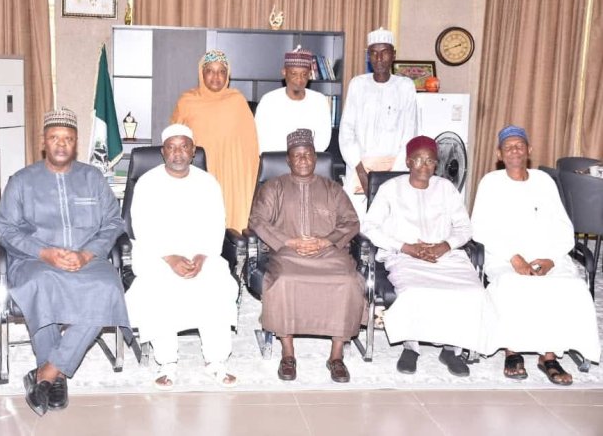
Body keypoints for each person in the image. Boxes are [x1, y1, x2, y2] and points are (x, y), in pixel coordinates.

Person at [0, 108, 130, 416]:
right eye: (54, 138)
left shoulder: (93, 178)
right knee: (40, 285)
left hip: (87, 256)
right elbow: (5, 228)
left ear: (76, 142)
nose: (60, 144)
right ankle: (56, 374)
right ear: (44, 142)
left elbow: (112, 221)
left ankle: (49, 372)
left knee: (108, 289)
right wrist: (45, 253)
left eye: (67, 139)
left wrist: (87, 253)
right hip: (36, 259)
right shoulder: (22, 181)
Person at [471, 125, 601, 385]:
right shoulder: (490, 182)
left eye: (520, 146)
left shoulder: (544, 181)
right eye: (509, 147)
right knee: (513, 285)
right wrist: (515, 258)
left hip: (548, 256)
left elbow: (564, 225)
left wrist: (551, 258)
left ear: (529, 150)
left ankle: (549, 356)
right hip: (505, 257)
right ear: (499, 154)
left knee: (570, 288)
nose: (515, 151)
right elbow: (480, 228)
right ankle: (513, 351)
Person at [362, 136, 494, 377]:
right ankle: (410, 347)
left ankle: (451, 350)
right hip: (405, 256)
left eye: (430, 161)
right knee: (415, 291)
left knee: (473, 293)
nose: (425, 166)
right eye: (419, 160)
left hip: (446, 256)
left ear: (436, 164)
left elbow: (464, 228)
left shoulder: (446, 188)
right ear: (408, 161)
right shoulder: (391, 189)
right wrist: (405, 247)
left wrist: (445, 245)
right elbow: (369, 226)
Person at [126, 124, 239, 390]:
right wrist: (170, 257)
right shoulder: (147, 182)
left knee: (217, 285)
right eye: (171, 147)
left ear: (193, 151)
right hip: (158, 255)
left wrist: (201, 256)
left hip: (202, 254)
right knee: (159, 287)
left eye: (184, 146)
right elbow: (141, 227)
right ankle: (167, 363)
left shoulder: (208, 182)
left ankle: (216, 361)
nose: (178, 153)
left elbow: (216, 224)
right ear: (163, 152)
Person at [248, 128, 365, 383]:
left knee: (347, 282)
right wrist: (288, 241)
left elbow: (351, 221)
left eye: (308, 155)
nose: (303, 160)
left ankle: (336, 356)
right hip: (288, 253)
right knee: (285, 281)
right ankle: (288, 353)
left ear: (316, 158)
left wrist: (327, 240)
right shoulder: (273, 187)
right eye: (297, 155)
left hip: (329, 254)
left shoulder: (332, 189)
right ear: (288, 160)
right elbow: (257, 220)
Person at [171, 49, 259, 231]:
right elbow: (173, 140)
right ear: (201, 73)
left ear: (228, 76)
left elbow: (250, 145)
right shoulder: (187, 101)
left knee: (230, 224)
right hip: (198, 171)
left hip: (231, 173)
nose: (216, 77)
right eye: (210, 70)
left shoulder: (237, 101)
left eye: (222, 71)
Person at [338, 27, 417, 217]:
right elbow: (346, 131)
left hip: (393, 171)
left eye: (384, 52)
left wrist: (390, 176)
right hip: (359, 170)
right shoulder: (357, 84)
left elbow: (409, 135)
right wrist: (362, 172)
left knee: (390, 223)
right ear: (368, 56)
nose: (379, 59)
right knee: (358, 226)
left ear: (393, 55)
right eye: (374, 53)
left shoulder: (405, 86)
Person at [254, 47, 331, 153]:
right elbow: (260, 139)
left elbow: (323, 140)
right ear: (284, 72)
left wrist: (302, 158)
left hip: (308, 163)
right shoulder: (268, 101)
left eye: (304, 74)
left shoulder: (320, 101)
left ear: (309, 75)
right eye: (294, 74)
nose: (299, 79)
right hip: (276, 161)